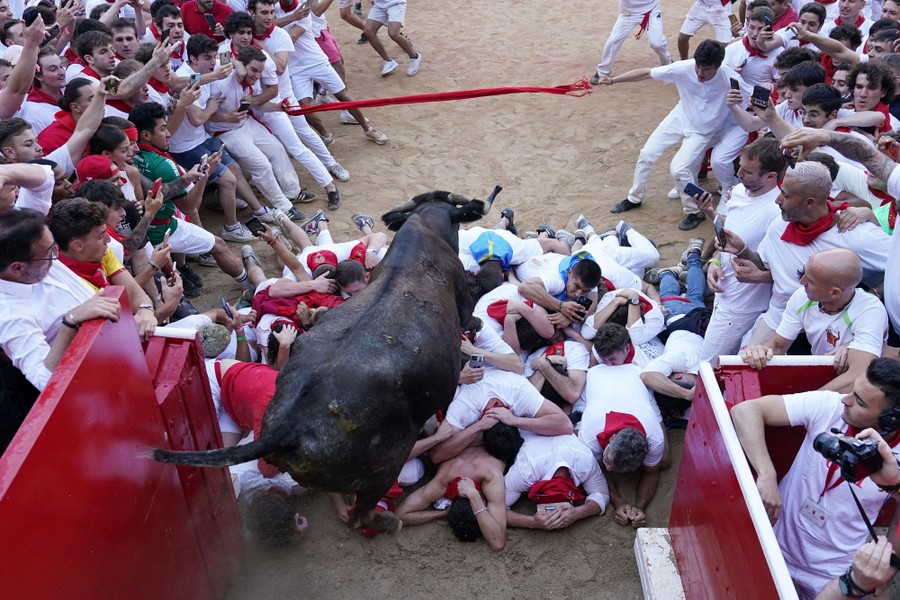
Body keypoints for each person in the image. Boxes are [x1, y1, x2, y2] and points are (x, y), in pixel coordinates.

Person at [730, 358, 900, 597]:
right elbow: (745, 411)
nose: (845, 399)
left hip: (833, 574)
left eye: (859, 402)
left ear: (889, 420)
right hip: (775, 549)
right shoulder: (830, 405)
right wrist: (767, 474)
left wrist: (890, 566)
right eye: (853, 391)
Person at [718, 161, 891, 346]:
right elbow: (767, 264)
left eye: (785, 195)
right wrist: (742, 250)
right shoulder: (779, 225)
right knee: (746, 365)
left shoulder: (857, 236)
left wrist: (873, 293)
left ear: (809, 202)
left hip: (833, 329)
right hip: (778, 320)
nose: (777, 200)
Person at [0, 209, 122, 444]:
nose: (57, 256)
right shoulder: (10, 316)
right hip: (91, 395)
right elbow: (44, 380)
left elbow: (42, 181)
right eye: (49, 252)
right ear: (17, 268)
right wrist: (71, 321)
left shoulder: (37, 259)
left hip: (116, 351)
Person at [597, 40, 739, 231]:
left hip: (703, 131)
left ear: (718, 66)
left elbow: (753, 99)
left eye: (706, 69)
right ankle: (635, 197)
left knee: (678, 170)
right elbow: (647, 72)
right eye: (698, 66)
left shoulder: (730, 78)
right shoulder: (684, 67)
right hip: (680, 116)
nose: (699, 73)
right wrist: (613, 80)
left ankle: (694, 211)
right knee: (646, 154)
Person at [741, 248, 888, 392]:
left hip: (863, 395)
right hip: (825, 380)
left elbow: (858, 375)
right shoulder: (801, 297)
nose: (801, 281)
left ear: (834, 292)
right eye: (804, 273)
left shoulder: (870, 310)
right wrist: (763, 350)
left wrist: (807, 404)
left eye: (810, 280)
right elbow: (779, 345)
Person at [700, 137, 786, 360]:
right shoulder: (738, 191)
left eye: (747, 172)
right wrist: (716, 261)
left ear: (770, 176)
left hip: (743, 307)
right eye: (740, 167)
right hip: (723, 291)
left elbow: (778, 267)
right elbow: (729, 231)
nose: (739, 174)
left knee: (707, 366)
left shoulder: (777, 212)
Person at [578, 324, 669, 528]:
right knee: (588, 459)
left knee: (663, 462)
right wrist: (617, 501)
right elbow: (595, 469)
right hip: (602, 388)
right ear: (610, 440)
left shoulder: (653, 435)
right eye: (608, 459)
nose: (608, 467)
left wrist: (640, 506)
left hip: (638, 392)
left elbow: (651, 472)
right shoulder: (590, 432)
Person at [395, 423, 523, 551]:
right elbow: (400, 515)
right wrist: (472, 497)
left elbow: (498, 543)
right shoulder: (486, 476)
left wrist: (441, 514)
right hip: (492, 433)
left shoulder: (448, 480)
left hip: (491, 433)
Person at [47, 198, 158, 337]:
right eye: (101, 236)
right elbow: (113, 335)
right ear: (78, 245)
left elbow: (135, 294)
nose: (108, 239)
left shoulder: (103, 252)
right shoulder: (65, 284)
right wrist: (166, 310)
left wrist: (145, 310)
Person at [504, 433, 610, 530]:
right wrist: (531, 522)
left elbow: (603, 494)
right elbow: (495, 507)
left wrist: (578, 513)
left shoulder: (584, 461)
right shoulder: (525, 471)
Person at [589, 0, 672, 84]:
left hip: (651, 12)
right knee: (613, 41)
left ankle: (668, 65)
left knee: (658, 44)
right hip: (628, 14)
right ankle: (602, 72)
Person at [362, 0, 420, 77]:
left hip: (395, 3)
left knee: (393, 34)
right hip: (379, 5)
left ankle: (414, 57)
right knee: (368, 31)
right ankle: (388, 61)